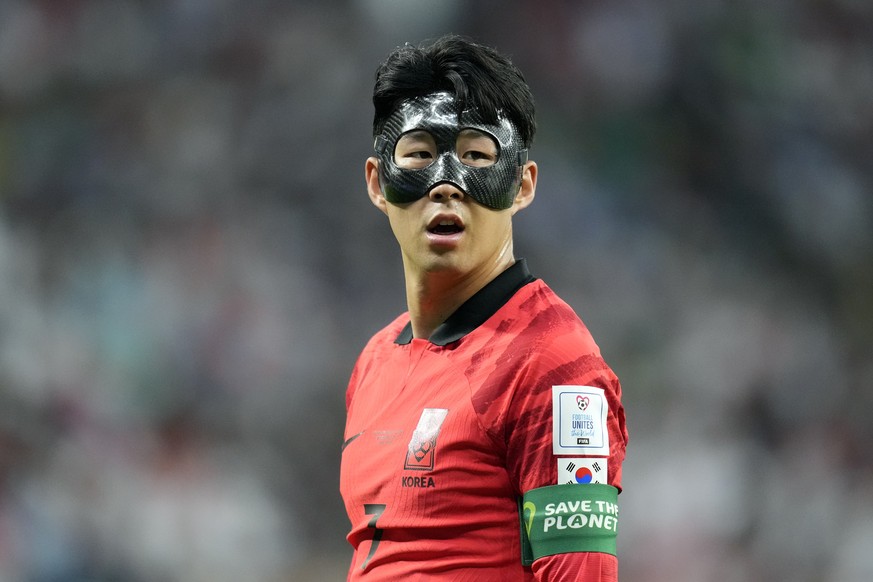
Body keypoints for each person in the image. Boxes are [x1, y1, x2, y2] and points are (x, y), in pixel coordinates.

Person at [340, 35, 628, 581]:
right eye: (420, 154)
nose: (448, 182)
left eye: (476, 155)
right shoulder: (374, 362)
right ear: (379, 182)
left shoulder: (554, 366)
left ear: (522, 184)